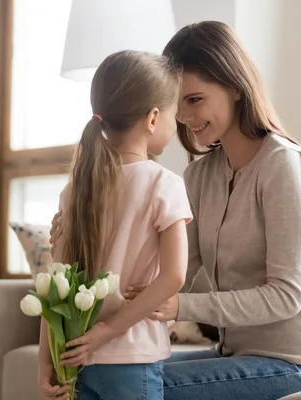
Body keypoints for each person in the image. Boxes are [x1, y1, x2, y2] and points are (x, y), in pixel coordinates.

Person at [52, 21, 301, 400]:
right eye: (178, 104)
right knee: (96, 372)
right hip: (235, 354)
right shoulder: (200, 175)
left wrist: (178, 306)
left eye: (195, 100)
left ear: (235, 86)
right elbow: (170, 271)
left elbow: (286, 296)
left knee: (130, 386)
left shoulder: (284, 165)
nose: (185, 117)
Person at [39, 50, 192, 400]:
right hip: (132, 360)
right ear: (153, 118)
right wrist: (107, 331)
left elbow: (54, 286)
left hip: (76, 358)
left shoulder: (74, 190)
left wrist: (44, 362)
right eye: (174, 115)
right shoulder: (163, 183)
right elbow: (174, 277)